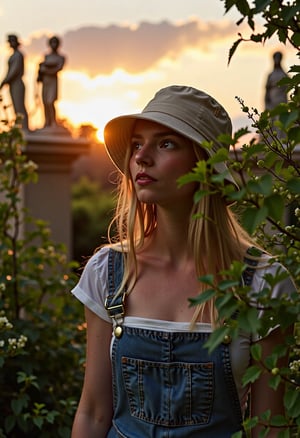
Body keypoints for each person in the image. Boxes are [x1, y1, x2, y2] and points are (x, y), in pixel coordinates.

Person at [71, 85, 295, 437]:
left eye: (165, 143)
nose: (142, 157)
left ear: (204, 163)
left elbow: (268, 428)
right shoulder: (108, 272)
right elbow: (94, 413)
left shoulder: (263, 282)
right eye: (136, 145)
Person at [0, 34, 29, 130]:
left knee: (19, 107)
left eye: (12, 41)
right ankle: (19, 127)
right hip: (12, 85)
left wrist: (4, 82)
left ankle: (24, 128)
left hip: (17, 83)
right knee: (16, 108)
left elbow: (14, 71)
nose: (11, 43)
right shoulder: (13, 55)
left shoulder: (18, 55)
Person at [37, 36, 65, 127]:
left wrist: (46, 70)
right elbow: (41, 69)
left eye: (55, 42)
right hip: (46, 81)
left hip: (53, 81)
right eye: (52, 42)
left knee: (50, 101)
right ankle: (47, 121)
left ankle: (53, 121)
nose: (54, 45)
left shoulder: (61, 57)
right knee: (45, 102)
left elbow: (58, 68)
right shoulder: (46, 56)